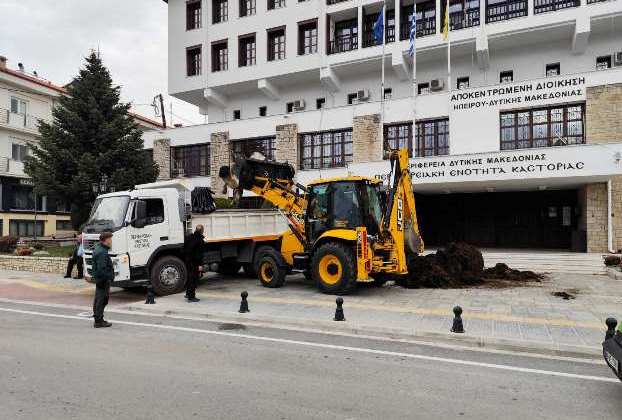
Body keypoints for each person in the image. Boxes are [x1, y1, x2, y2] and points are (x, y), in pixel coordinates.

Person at [91, 231, 114, 328]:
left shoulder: (99, 249)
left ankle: (98, 319)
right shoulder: (102, 252)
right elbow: (102, 269)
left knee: (99, 299)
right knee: (102, 299)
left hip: (99, 279)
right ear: (106, 240)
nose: (111, 241)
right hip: (103, 280)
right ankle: (99, 321)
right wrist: (109, 277)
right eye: (110, 239)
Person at [184, 225, 204, 303]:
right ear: (202, 230)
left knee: (190, 278)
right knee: (194, 279)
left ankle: (187, 293)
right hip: (195, 262)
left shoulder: (189, 237)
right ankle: (191, 297)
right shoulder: (200, 240)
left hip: (188, 261)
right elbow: (199, 255)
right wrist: (200, 265)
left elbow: (185, 249)